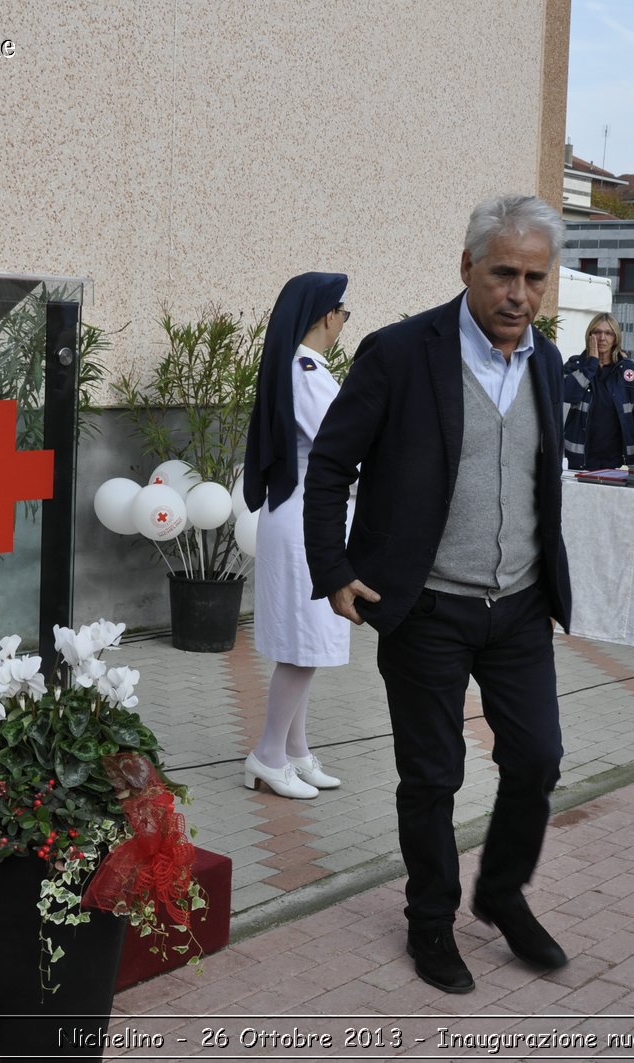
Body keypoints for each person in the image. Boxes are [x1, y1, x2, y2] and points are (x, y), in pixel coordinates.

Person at [302, 194, 573, 995]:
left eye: (533, 277)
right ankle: (431, 922)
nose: (517, 293)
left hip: (519, 603)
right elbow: (328, 468)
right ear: (467, 268)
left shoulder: (549, 361)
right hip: (427, 607)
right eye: (502, 274)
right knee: (433, 774)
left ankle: (500, 892)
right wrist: (335, 568)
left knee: (538, 757)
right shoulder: (398, 353)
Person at [239, 272, 353, 800]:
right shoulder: (307, 374)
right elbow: (343, 441)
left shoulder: (303, 370)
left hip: (306, 516)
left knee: (305, 643)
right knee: (303, 647)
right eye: (344, 315)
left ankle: (295, 750)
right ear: (329, 315)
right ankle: (266, 754)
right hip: (306, 520)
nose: (344, 325)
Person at [561, 313, 634, 470]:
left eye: (608, 333)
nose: (602, 337)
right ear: (589, 335)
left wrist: (626, 430)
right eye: (597, 332)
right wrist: (591, 364)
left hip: (618, 458)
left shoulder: (628, 369)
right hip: (581, 456)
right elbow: (567, 394)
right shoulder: (576, 364)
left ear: (616, 338)